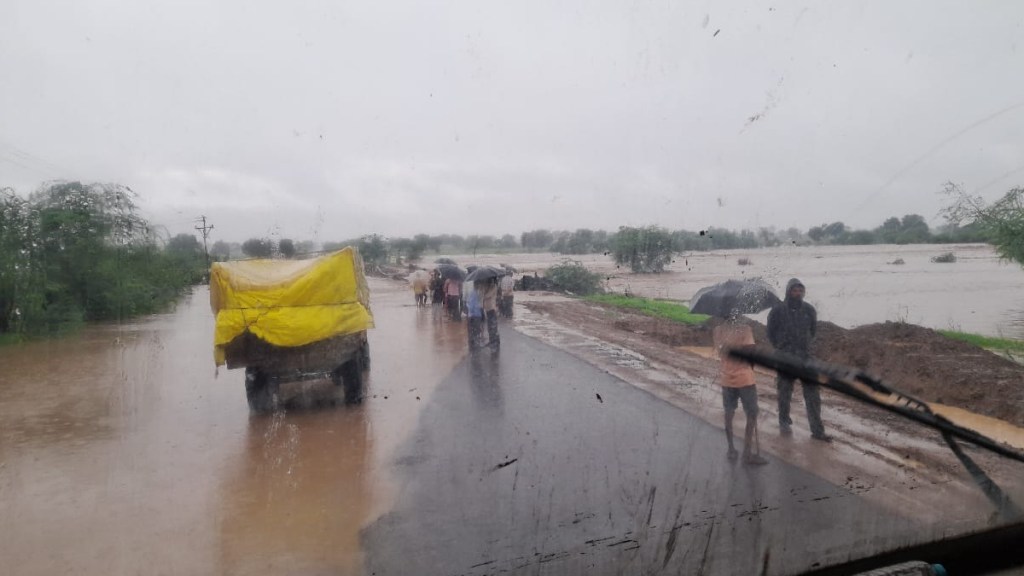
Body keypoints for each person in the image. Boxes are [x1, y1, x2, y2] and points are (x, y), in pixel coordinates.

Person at [767, 278, 831, 442]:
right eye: (794, 290)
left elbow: (813, 331)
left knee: (813, 396)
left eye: (800, 290)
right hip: (785, 357)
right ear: (789, 291)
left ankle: (817, 431)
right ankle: (783, 420)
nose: (798, 293)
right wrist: (781, 348)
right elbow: (770, 333)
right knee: (784, 392)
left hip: (805, 357)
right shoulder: (777, 310)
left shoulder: (809, 310)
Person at [713, 321, 768, 465]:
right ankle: (747, 453)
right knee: (752, 413)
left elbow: (721, 352)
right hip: (745, 379)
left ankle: (731, 449)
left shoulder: (717, 330)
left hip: (726, 378)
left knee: (729, 412)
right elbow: (750, 353)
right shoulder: (745, 329)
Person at [477, 277, 500, 347]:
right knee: (490, 326)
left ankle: (495, 341)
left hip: (492, 308)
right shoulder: (487, 287)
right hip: (487, 309)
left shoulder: (494, 287)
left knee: (493, 326)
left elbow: (487, 296)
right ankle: (492, 340)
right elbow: (481, 295)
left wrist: (484, 292)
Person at [465, 282, 485, 349]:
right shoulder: (475, 294)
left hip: (472, 315)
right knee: (476, 330)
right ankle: (475, 344)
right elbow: (473, 305)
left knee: (472, 330)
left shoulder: (473, 293)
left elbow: (468, 304)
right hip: (476, 315)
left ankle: (472, 344)